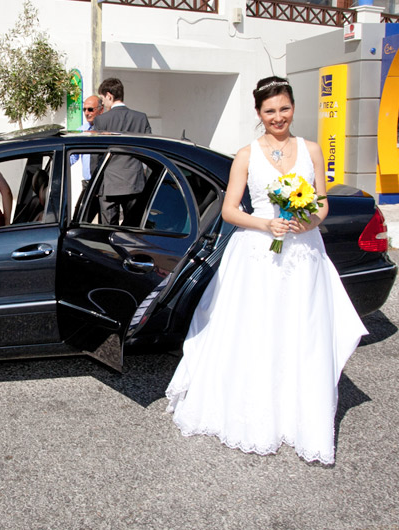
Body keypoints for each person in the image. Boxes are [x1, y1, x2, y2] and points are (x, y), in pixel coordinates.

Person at [165, 76, 367, 465]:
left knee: (300, 330)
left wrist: (309, 221)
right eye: (270, 111)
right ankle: (255, 414)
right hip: (257, 254)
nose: (279, 117)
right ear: (259, 114)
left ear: (294, 108)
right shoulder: (246, 155)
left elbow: (321, 202)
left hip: (304, 254)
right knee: (256, 330)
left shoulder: (310, 150)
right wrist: (266, 224)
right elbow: (229, 210)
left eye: (285, 108)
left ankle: (298, 415)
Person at [91, 77, 151, 225]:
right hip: (135, 184)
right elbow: (151, 151)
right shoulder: (141, 118)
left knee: (107, 232)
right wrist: (149, 181)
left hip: (109, 185)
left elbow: (95, 155)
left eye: (102, 99)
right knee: (133, 231)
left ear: (109, 95)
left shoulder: (101, 121)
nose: (102, 103)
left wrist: (95, 183)